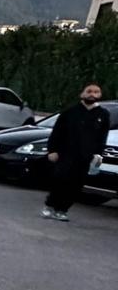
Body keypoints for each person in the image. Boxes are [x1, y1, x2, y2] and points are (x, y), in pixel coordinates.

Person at [41, 82, 110, 221]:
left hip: (85, 157)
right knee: (60, 180)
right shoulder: (70, 112)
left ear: (100, 95)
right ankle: (50, 205)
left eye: (96, 92)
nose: (92, 94)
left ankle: (62, 210)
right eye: (89, 91)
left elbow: (102, 136)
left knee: (75, 184)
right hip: (66, 154)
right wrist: (52, 150)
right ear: (82, 94)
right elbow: (57, 132)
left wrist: (98, 154)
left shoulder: (103, 114)